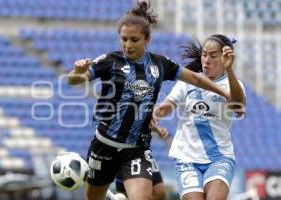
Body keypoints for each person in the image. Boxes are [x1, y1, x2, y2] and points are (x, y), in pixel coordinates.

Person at [67, 0, 230, 199]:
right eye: (124, 39)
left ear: (147, 39)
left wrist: (226, 94)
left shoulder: (160, 64)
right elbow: (75, 80)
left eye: (134, 40)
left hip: (136, 150)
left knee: (151, 195)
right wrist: (77, 71)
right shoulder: (110, 61)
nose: (127, 45)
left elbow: (195, 78)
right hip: (104, 145)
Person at [153, 34, 246, 200]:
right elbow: (167, 106)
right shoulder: (189, 81)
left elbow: (238, 106)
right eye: (204, 54)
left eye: (213, 56)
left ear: (225, 59)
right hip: (187, 157)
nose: (206, 60)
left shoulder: (233, 84)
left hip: (219, 157)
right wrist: (153, 116)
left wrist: (230, 70)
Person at [113, 123, 169, 200]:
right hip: (128, 150)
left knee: (159, 193)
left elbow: (145, 118)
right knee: (130, 194)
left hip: (144, 151)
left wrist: (157, 129)